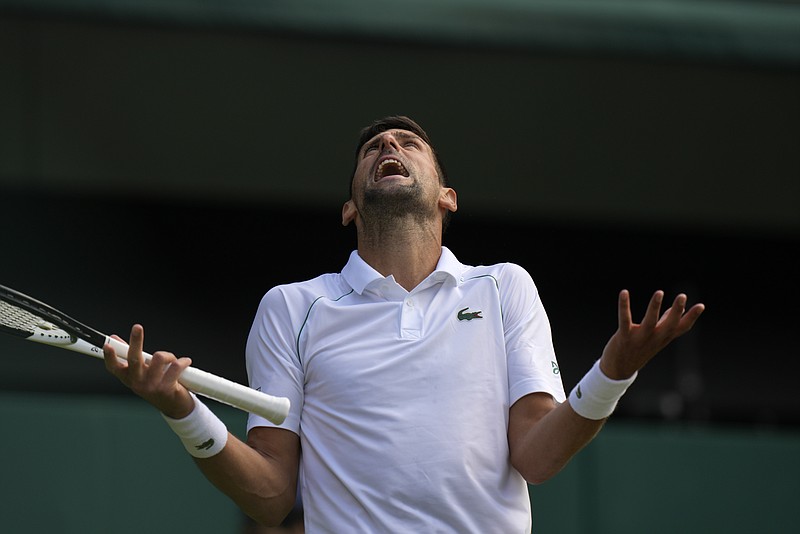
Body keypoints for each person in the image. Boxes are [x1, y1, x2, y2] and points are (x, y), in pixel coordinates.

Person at [103, 115, 705, 532]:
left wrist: (613, 373)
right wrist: (184, 412)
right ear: (349, 209)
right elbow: (271, 495)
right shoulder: (291, 307)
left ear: (447, 196)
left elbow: (538, 456)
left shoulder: (505, 287)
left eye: (407, 142)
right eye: (373, 149)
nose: (389, 144)